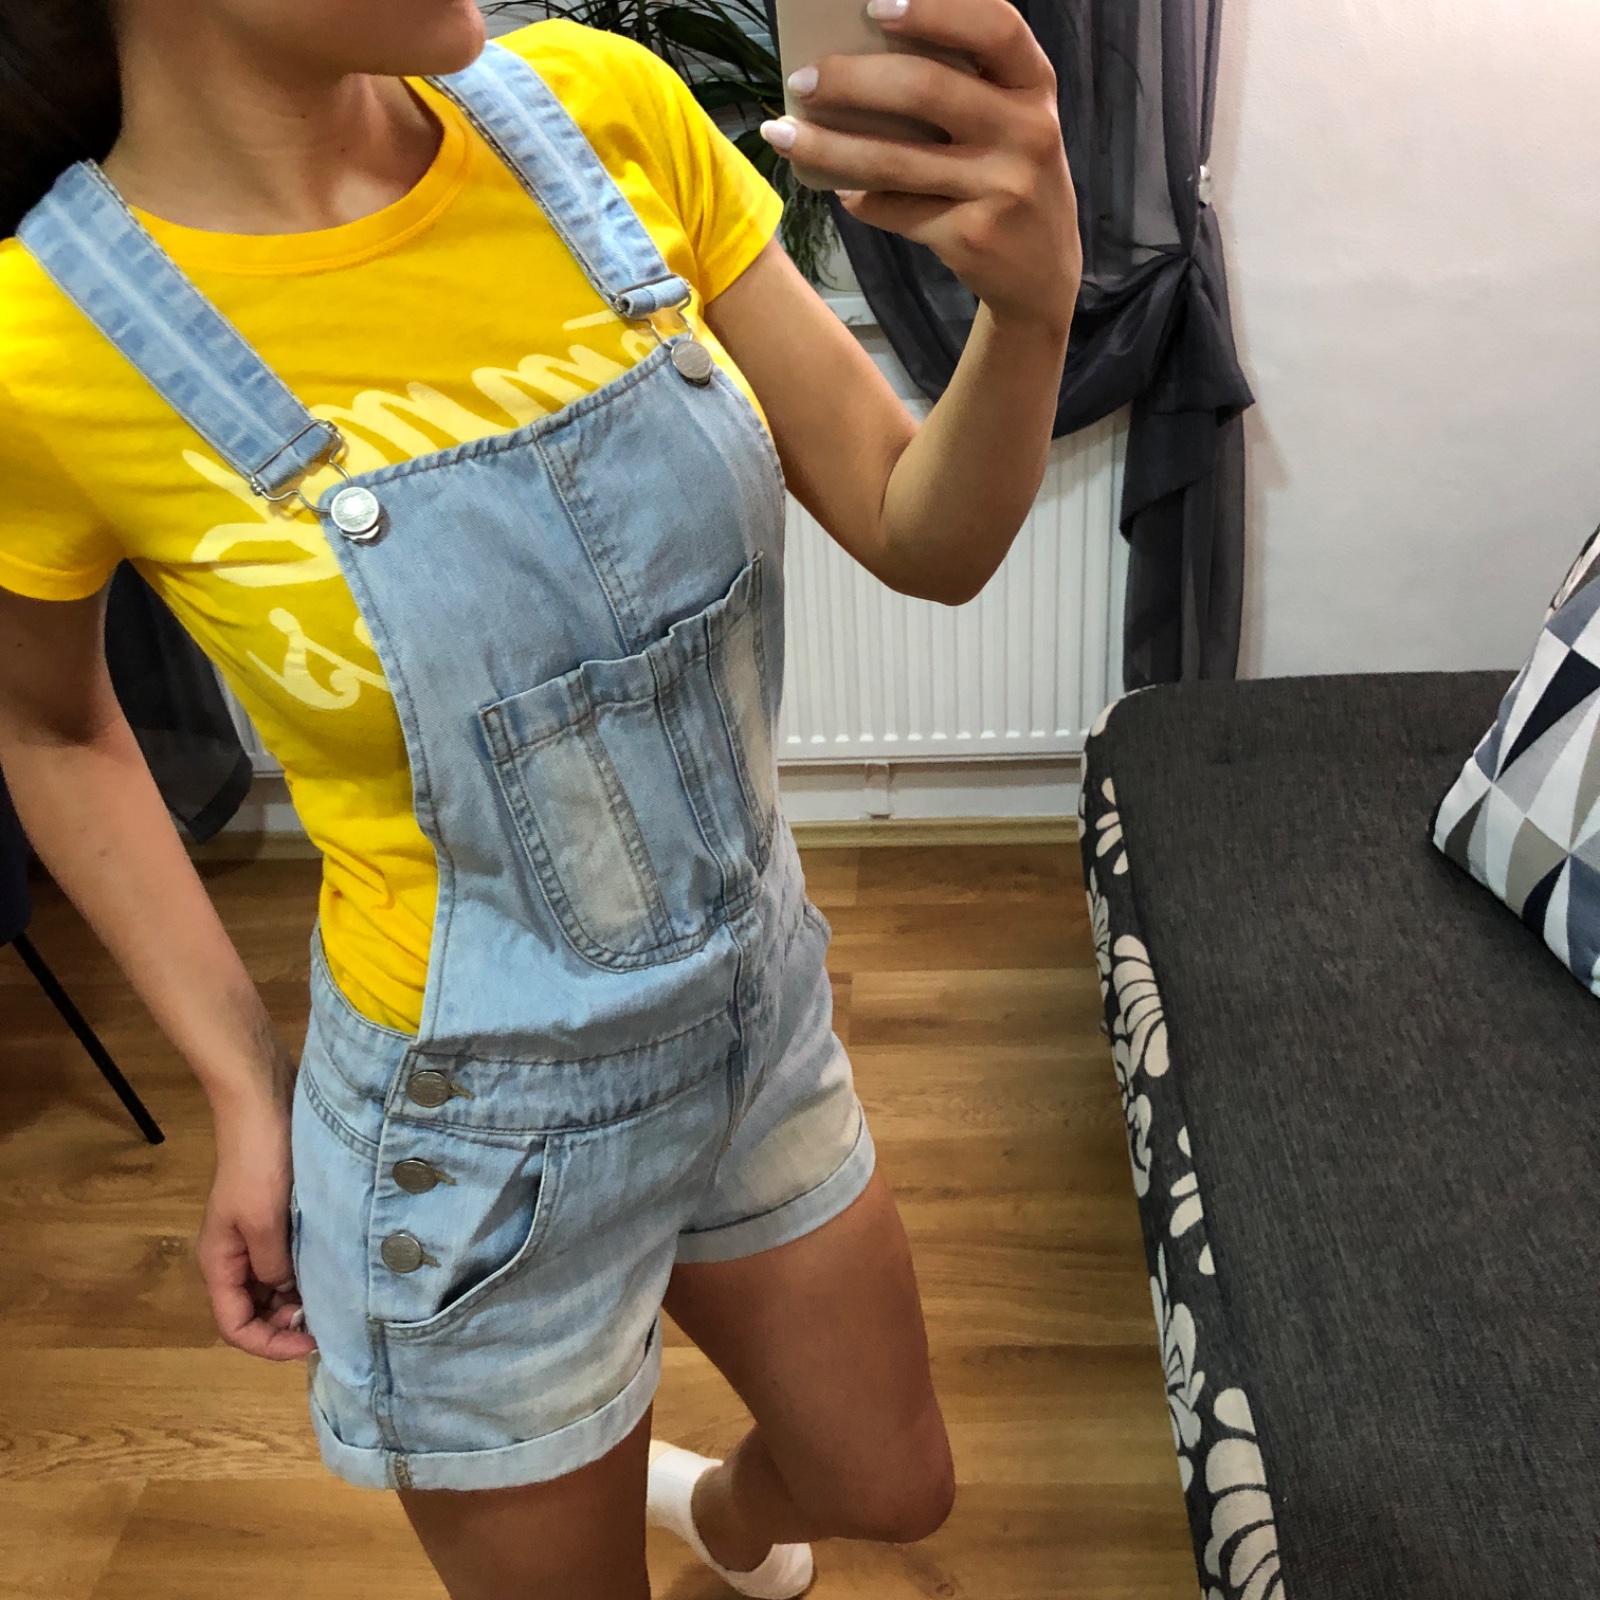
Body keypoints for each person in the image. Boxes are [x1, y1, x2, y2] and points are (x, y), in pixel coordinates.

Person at [0, 1, 1078, 1594]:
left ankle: (714, 1515)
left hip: (753, 1021)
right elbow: (47, 726)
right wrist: (241, 1082)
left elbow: (922, 531)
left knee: (890, 1484)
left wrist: (1033, 310)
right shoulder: (47, 342)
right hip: (470, 1150)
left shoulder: (602, 111)